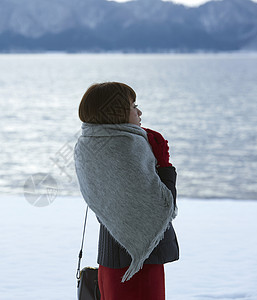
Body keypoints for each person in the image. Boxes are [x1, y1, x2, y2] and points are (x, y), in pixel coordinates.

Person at [74, 82, 179, 300]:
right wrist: (164, 165)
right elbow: (161, 207)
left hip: (111, 256)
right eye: (133, 106)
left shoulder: (90, 142)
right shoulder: (126, 148)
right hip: (137, 262)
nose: (139, 112)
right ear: (116, 112)